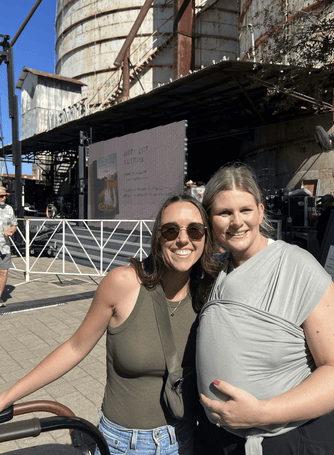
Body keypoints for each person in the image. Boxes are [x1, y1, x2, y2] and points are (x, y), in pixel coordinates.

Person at [0, 193, 216, 454]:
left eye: (195, 230)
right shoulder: (123, 283)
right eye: (171, 230)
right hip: (124, 444)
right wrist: (7, 397)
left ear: (206, 237)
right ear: (158, 237)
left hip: (183, 440)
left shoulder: (209, 293)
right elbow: (75, 347)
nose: (183, 239)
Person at [196, 163, 334, 455]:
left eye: (245, 210)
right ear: (210, 219)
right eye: (224, 213)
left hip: (296, 439)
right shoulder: (217, 271)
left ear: (260, 211)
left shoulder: (298, 266)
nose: (236, 222)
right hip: (227, 440)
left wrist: (261, 413)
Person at [0, 185, 17, 308]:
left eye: (5, 195)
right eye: (1, 196)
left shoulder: (9, 209)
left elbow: (13, 225)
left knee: (3, 272)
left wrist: (11, 231)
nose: (3, 198)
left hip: (4, 247)